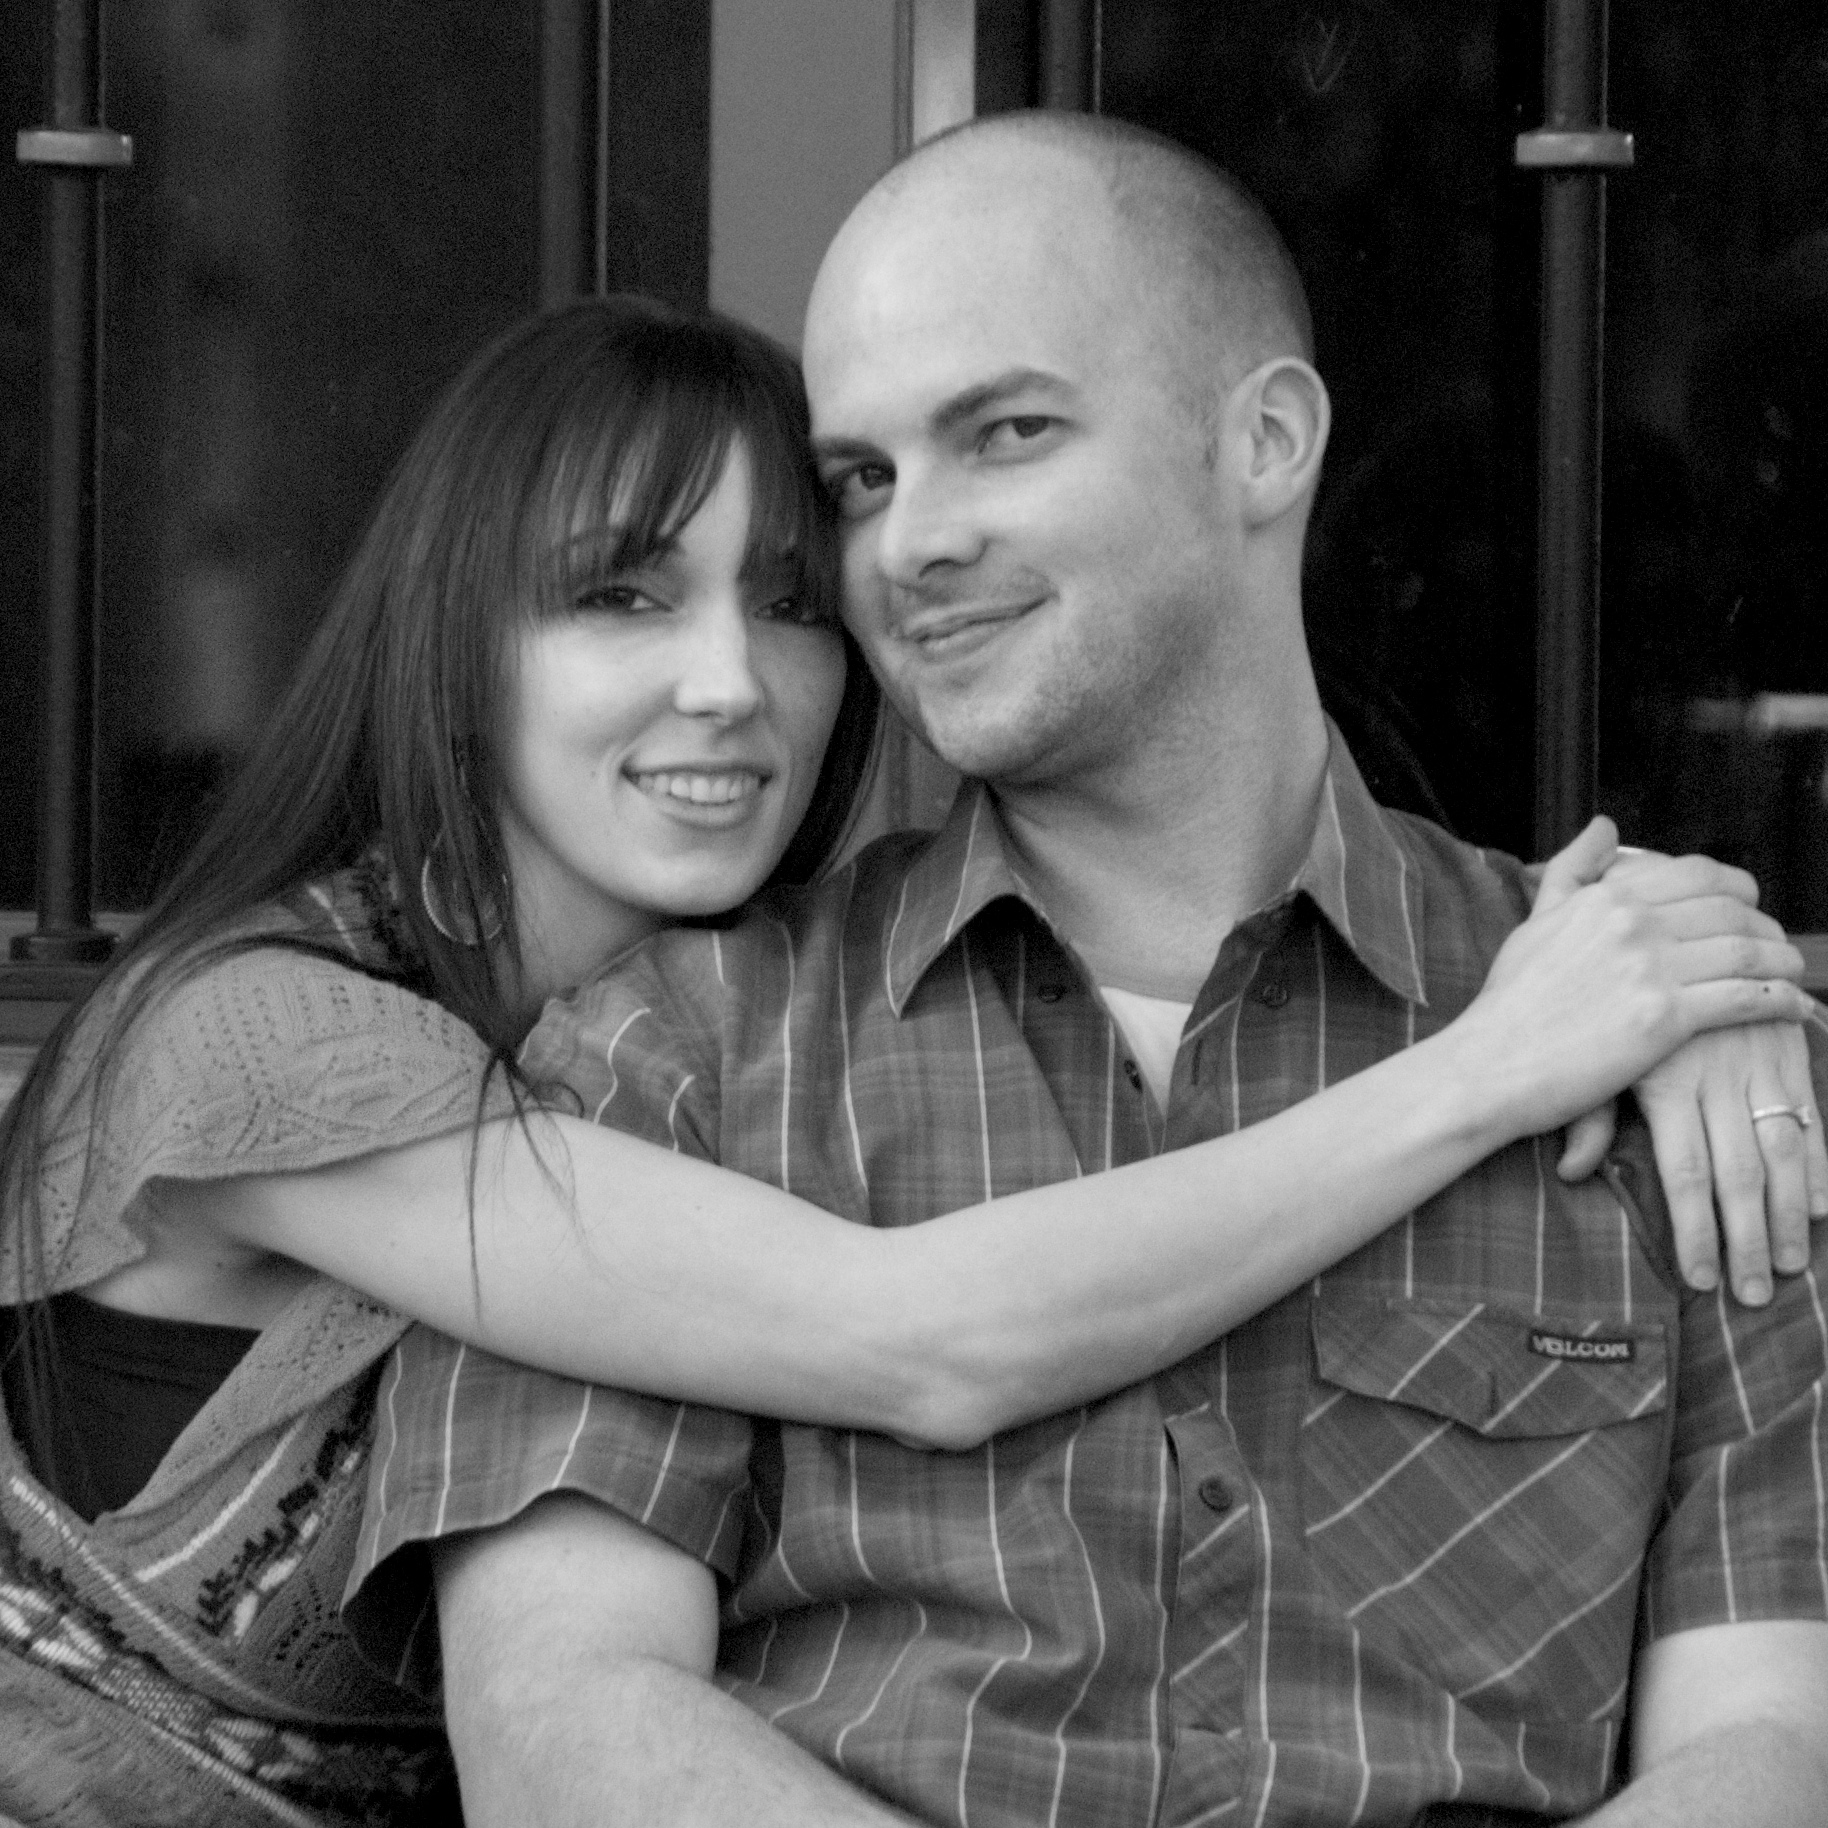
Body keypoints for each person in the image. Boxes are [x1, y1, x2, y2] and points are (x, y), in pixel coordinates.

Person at [3, 296, 1802, 1828]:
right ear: (452, 643)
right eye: (622, 597)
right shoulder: (252, 1038)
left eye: (789, 603)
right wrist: (1497, 1063)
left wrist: (1671, 970)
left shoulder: (729, 1008)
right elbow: (923, 1335)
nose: (730, 683)